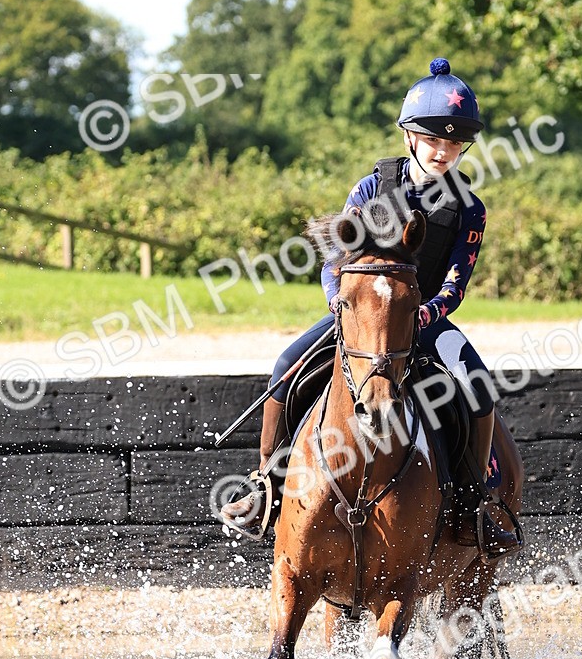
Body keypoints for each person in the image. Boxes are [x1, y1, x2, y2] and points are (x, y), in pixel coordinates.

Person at [222, 57, 517, 551]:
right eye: (432, 140)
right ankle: (266, 486)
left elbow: (455, 284)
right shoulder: (371, 189)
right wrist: (341, 304)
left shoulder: (470, 209)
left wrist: (426, 312)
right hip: (360, 317)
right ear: (410, 138)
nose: (443, 151)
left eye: (453, 143)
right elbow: (335, 261)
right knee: (285, 365)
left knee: (479, 389)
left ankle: (474, 506)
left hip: (425, 323)